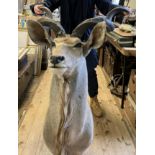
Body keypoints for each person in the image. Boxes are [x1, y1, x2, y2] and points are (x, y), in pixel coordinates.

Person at [30, 0, 117, 117]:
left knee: (89, 69)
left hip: (85, 39)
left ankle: (94, 99)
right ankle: (64, 101)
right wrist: (39, 7)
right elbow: (49, 2)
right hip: (66, 38)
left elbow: (105, 6)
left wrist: (120, 10)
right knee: (63, 70)